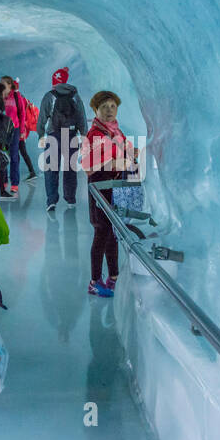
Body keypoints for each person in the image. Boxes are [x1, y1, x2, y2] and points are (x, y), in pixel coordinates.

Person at [79, 90, 138, 297]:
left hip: (114, 187)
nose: (109, 110)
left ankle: (113, 278)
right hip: (100, 188)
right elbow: (87, 165)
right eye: (104, 107)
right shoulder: (95, 134)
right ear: (96, 110)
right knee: (101, 233)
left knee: (111, 234)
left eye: (112, 106)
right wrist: (116, 163)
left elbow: (125, 151)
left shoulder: (115, 131)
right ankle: (94, 282)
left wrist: (133, 154)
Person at [36, 67, 88, 213]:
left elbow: (42, 119)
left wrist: (41, 134)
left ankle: (51, 200)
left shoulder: (49, 96)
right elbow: (81, 117)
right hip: (71, 136)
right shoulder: (75, 95)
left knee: (51, 169)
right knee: (70, 169)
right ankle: (70, 199)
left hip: (54, 136)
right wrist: (83, 135)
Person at [5, 75, 39, 183]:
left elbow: (21, 115)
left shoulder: (17, 97)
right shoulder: (20, 97)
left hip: (19, 129)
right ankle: (26, 172)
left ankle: (26, 172)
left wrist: (20, 131)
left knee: (19, 152)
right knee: (20, 152)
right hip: (20, 129)